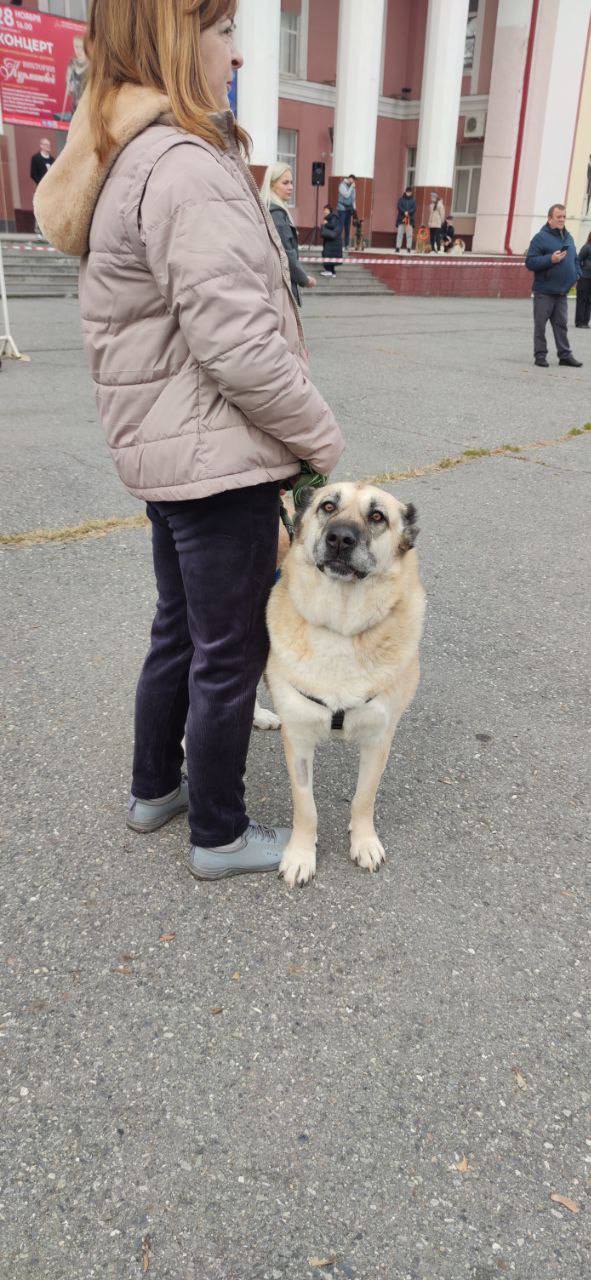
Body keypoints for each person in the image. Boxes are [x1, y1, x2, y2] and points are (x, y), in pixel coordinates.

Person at [35, 0, 344, 882]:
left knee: (179, 629)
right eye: (220, 30)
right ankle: (216, 830)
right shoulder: (181, 165)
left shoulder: (126, 159)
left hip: (169, 456)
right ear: (175, 40)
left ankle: (153, 790)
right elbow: (238, 346)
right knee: (229, 648)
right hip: (217, 458)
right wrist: (319, 437)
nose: (236, 51)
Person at [525, 203, 582, 368]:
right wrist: (551, 259)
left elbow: (575, 258)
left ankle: (565, 355)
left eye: (564, 216)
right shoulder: (540, 238)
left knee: (561, 326)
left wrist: (576, 273)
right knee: (540, 325)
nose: (562, 219)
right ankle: (540, 356)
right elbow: (530, 262)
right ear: (550, 219)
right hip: (545, 291)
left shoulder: (568, 237)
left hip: (562, 292)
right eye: (558, 217)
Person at [260, 163, 315, 304]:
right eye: (285, 183)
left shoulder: (268, 211)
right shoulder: (277, 215)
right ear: (272, 185)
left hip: (272, 286)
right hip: (281, 288)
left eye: (291, 182)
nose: (290, 187)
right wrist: (304, 279)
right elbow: (287, 254)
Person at [320, 203, 342, 276]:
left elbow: (332, 225)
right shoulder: (333, 217)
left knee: (328, 254)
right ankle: (333, 272)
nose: (324, 212)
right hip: (333, 241)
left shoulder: (332, 218)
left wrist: (325, 224)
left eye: (326, 210)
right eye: (324, 210)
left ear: (330, 211)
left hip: (332, 242)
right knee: (331, 256)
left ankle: (328, 271)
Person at [575, 231, 591, 328]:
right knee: (582, 299)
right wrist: (580, 272)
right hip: (584, 278)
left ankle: (585, 321)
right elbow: (578, 259)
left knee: (589, 300)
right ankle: (580, 322)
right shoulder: (587, 247)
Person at [337, 174, 356, 250]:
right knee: (341, 226)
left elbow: (353, 199)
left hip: (349, 209)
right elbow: (346, 195)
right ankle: (338, 244)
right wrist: (351, 187)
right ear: (349, 178)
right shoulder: (342, 185)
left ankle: (347, 245)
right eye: (352, 180)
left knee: (347, 227)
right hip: (342, 208)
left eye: (354, 181)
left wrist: (355, 209)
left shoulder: (353, 188)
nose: (353, 182)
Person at [395, 185, 416, 252]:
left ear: (411, 193)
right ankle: (398, 247)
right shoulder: (401, 199)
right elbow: (399, 206)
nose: (408, 193)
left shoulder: (413, 200)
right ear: (405, 192)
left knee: (409, 234)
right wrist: (404, 212)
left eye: (410, 192)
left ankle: (409, 248)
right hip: (401, 219)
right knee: (400, 234)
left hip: (410, 219)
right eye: (407, 192)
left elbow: (414, 208)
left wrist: (408, 212)